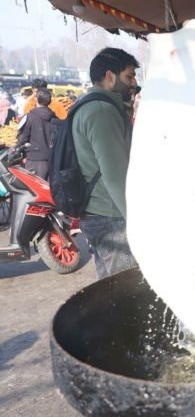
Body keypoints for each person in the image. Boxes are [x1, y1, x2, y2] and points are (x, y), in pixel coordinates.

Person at [74, 47, 140, 280]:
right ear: (110, 76)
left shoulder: (89, 105)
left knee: (111, 287)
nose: (134, 83)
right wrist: (137, 221)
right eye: (129, 76)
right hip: (111, 217)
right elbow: (115, 175)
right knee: (128, 290)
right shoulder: (102, 111)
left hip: (97, 214)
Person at [17, 87, 57, 180]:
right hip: (53, 161)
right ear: (50, 101)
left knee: (36, 191)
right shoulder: (56, 119)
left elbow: (22, 139)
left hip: (34, 160)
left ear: (36, 99)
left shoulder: (29, 117)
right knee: (49, 192)